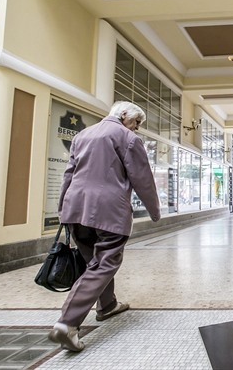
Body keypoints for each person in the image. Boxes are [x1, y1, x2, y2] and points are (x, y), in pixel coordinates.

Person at [48, 101, 161, 352]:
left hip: (76, 208)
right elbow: (142, 178)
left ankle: (107, 305)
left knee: (93, 262)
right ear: (122, 115)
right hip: (109, 211)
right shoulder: (127, 138)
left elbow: (69, 174)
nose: (138, 128)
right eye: (137, 122)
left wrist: (63, 210)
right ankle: (67, 323)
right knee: (105, 263)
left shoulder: (82, 135)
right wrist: (154, 210)